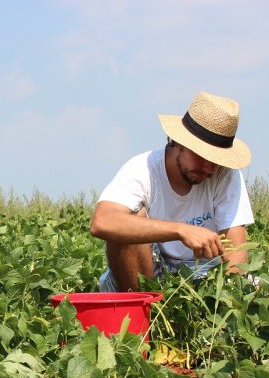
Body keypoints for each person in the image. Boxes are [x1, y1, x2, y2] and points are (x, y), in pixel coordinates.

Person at [90, 91, 254, 292]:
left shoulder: (225, 175)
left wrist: (225, 298)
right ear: (179, 142)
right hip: (150, 270)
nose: (209, 168)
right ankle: (140, 307)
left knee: (259, 290)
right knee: (131, 219)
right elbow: (102, 222)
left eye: (217, 160)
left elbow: (236, 252)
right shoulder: (143, 168)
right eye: (202, 156)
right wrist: (181, 230)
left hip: (204, 274)